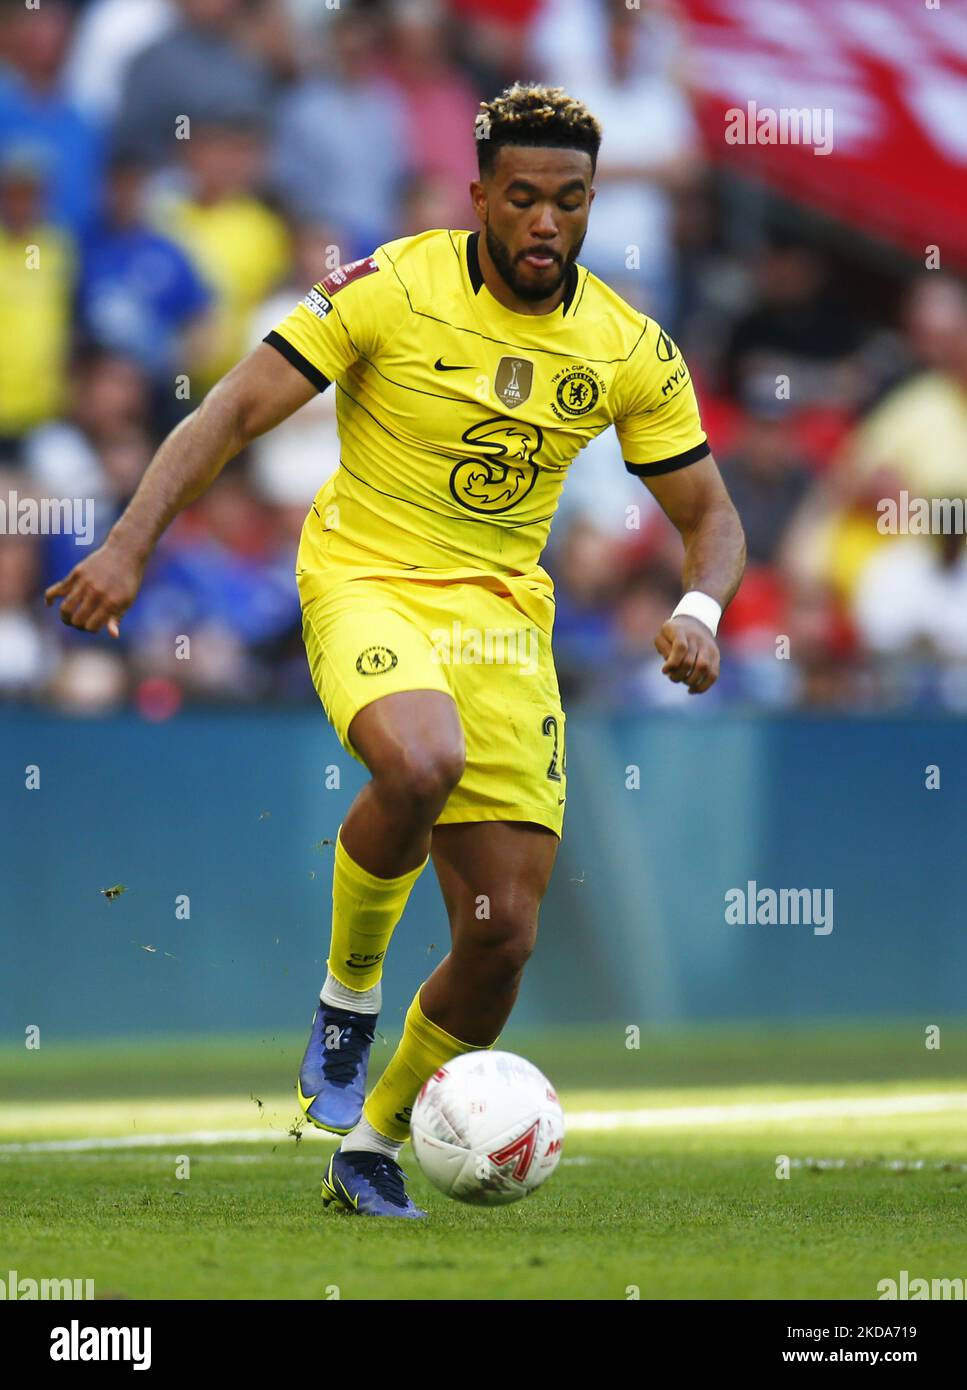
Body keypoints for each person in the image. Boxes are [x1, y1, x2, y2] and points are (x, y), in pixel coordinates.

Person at [46, 83, 746, 1218]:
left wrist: (700, 612)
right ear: (478, 194)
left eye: (567, 203)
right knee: (419, 761)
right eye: (520, 199)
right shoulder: (391, 286)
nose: (543, 225)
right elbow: (229, 409)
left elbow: (710, 516)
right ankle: (346, 994)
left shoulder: (626, 346)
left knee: (503, 937)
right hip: (368, 577)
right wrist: (128, 545)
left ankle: (371, 1142)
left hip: (506, 624)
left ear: (589, 204)